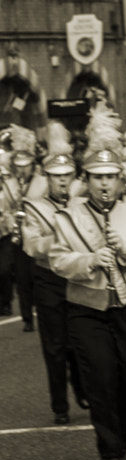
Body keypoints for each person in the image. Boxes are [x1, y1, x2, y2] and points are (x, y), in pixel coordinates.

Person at [49, 102, 126, 460]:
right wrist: (90, 260)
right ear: (86, 179)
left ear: (121, 179)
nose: (105, 183)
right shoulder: (69, 215)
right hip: (85, 309)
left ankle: (122, 430)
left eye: (111, 176)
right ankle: (110, 448)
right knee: (100, 377)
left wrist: (125, 250)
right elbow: (58, 259)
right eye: (97, 176)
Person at [21, 122, 87, 425]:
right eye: (56, 177)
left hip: (77, 277)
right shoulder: (34, 207)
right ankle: (59, 404)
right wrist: (61, 240)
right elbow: (32, 246)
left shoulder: (83, 205)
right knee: (55, 344)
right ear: (47, 178)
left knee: (80, 340)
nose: (62, 182)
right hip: (48, 279)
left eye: (66, 176)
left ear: (73, 177)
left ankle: (83, 386)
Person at [0, 124, 41, 330]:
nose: (22, 168)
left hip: (38, 235)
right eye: (19, 165)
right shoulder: (10, 184)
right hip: (18, 236)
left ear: (33, 164)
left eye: (26, 165)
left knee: (37, 277)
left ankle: (39, 310)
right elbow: (5, 208)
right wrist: (10, 219)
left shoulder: (42, 183)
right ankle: (27, 318)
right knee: (22, 278)